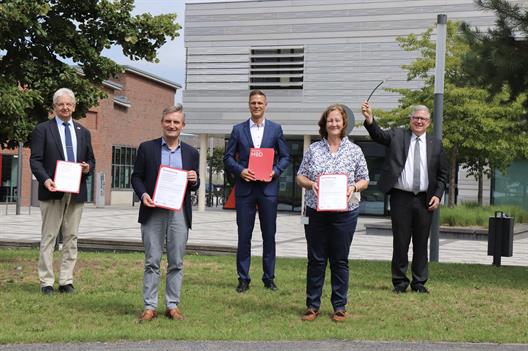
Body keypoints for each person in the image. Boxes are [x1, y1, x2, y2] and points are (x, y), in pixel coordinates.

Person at [361, 101, 449, 294]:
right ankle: (400, 282)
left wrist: (438, 195)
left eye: (423, 119)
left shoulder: (436, 144)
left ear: (428, 123)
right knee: (401, 241)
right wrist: (369, 119)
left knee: (421, 242)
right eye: (416, 118)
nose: (419, 121)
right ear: (410, 120)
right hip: (401, 197)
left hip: (425, 199)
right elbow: (378, 135)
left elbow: (443, 175)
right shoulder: (398, 135)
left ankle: (419, 283)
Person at [296, 104, 369, 322]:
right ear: (324, 124)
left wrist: (353, 188)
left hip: (345, 213)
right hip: (316, 211)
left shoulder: (355, 150)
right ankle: (312, 305)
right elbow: (300, 176)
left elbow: (364, 179)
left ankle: (339, 307)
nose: (334, 124)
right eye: (330, 120)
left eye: (337, 120)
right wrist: (311, 185)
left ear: (344, 124)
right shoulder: (314, 150)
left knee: (340, 260)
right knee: (316, 260)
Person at [131, 104, 200, 322]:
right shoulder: (146, 148)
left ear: (183, 125)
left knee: (176, 261)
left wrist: (195, 180)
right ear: (162, 123)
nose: (172, 125)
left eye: (176, 122)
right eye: (168, 121)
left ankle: (172, 305)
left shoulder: (191, 152)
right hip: (153, 211)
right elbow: (136, 177)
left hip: (179, 212)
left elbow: (193, 186)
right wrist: (143, 196)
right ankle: (149, 306)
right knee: (152, 260)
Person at [30, 88, 96, 295]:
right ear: (54, 107)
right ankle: (46, 282)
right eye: (61, 104)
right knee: (49, 236)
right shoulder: (43, 130)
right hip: (52, 189)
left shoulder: (83, 132)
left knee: (71, 237)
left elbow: (91, 160)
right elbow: (35, 160)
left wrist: (88, 168)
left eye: (69, 104)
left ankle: (66, 280)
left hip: (76, 192)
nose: (65, 107)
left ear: (74, 107)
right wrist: (46, 180)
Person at [223, 90, 291, 293]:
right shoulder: (238, 130)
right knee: (244, 235)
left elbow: (285, 156)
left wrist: (275, 171)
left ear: (266, 105)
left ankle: (269, 278)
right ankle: (243, 278)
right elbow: (227, 158)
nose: (256, 106)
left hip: (268, 189)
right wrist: (240, 170)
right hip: (245, 189)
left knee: (269, 235)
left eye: (260, 103)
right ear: (249, 105)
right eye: (253, 102)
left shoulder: (275, 129)